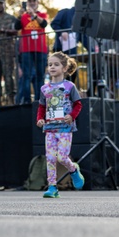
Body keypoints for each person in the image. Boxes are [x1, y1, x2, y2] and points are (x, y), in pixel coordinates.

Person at [35, 52, 85, 198]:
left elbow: (78, 104)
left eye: (56, 64)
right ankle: (52, 187)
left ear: (64, 68)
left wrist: (71, 116)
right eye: (50, 64)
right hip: (50, 128)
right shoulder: (44, 88)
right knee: (50, 158)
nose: (52, 67)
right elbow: (42, 106)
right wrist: (40, 119)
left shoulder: (69, 86)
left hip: (64, 128)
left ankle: (73, 169)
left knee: (62, 157)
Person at [16, 0, 49, 105]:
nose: (32, 3)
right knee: (27, 75)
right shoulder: (24, 16)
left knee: (40, 75)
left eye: (33, 1)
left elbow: (44, 24)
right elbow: (17, 27)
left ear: (37, 3)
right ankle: (26, 100)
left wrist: (34, 15)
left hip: (40, 49)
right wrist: (19, 16)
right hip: (26, 49)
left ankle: (39, 100)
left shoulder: (43, 15)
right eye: (30, 2)